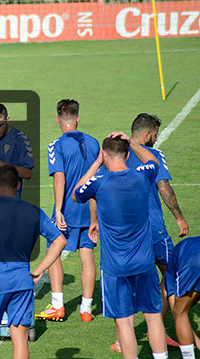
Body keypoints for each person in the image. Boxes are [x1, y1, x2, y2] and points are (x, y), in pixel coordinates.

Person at [73, 133, 168, 359]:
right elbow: (153, 162)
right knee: (153, 316)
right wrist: (133, 142)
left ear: (104, 154)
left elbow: (77, 193)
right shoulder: (141, 176)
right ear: (127, 154)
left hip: (115, 267)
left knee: (124, 322)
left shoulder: (100, 183)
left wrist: (96, 163)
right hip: (144, 262)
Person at [108, 113, 188, 352]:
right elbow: (164, 186)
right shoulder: (153, 155)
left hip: (124, 234)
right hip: (153, 230)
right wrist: (179, 216)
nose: (156, 138)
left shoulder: (115, 154)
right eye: (155, 134)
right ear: (146, 134)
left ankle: (123, 340)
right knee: (173, 275)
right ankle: (164, 328)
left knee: (125, 283)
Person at [0, 165, 66, 359]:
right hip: (22, 279)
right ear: (18, 184)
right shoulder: (33, 211)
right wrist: (39, 270)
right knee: (20, 338)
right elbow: (60, 240)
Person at [35, 100, 100, 322]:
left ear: (57, 120)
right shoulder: (93, 143)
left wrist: (58, 209)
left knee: (53, 251)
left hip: (68, 209)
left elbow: (60, 178)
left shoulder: (56, 145)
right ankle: (86, 309)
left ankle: (57, 306)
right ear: (78, 118)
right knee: (87, 254)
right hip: (90, 208)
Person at [165, 237, 200, 359]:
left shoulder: (170, 278)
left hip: (192, 260)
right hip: (192, 257)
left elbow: (177, 312)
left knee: (181, 313)